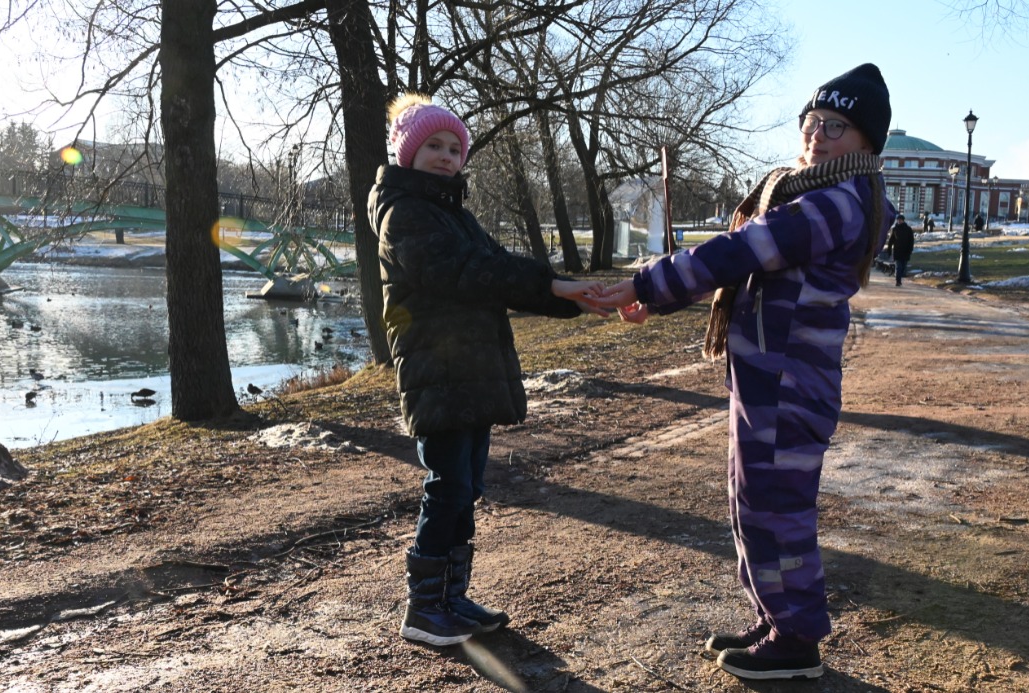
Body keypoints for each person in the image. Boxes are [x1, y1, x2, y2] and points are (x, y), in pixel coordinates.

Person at [594, 63, 895, 680]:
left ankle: (798, 640)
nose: (817, 135)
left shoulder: (840, 203)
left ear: (867, 142)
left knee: (779, 510)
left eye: (836, 127)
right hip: (763, 378)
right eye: (811, 122)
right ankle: (775, 614)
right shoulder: (810, 191)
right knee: (750, 502)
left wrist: (645, 283)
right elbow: (741, 260)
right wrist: (654, 298)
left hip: (790, 386)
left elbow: (744, 250)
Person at [368, 93, 608, 647]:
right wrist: (553, 284)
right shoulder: (403, 213)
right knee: (447, 485)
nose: (447, 156)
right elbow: (466, 272)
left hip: (468, 371)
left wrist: (571, 297)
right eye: (433, 145)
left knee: (466, 485)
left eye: (454, 147)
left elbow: (497, 267)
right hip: (438, 371)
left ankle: (452, 596)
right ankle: (424, 609)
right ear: (407, 152)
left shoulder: (453, 213)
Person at [885, 213, 915, 286]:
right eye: (898, 220)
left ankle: (899, 278)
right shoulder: (895, 229)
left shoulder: (908, 229)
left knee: (903, 267)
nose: (899, 221)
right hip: (897, 251)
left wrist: (910, 250)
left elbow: (911, 241)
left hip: (906, 251)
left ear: (903, 220)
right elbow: (891, 241)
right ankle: (898, 281)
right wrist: (889, 250)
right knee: (898, 267)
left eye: (900, 220)